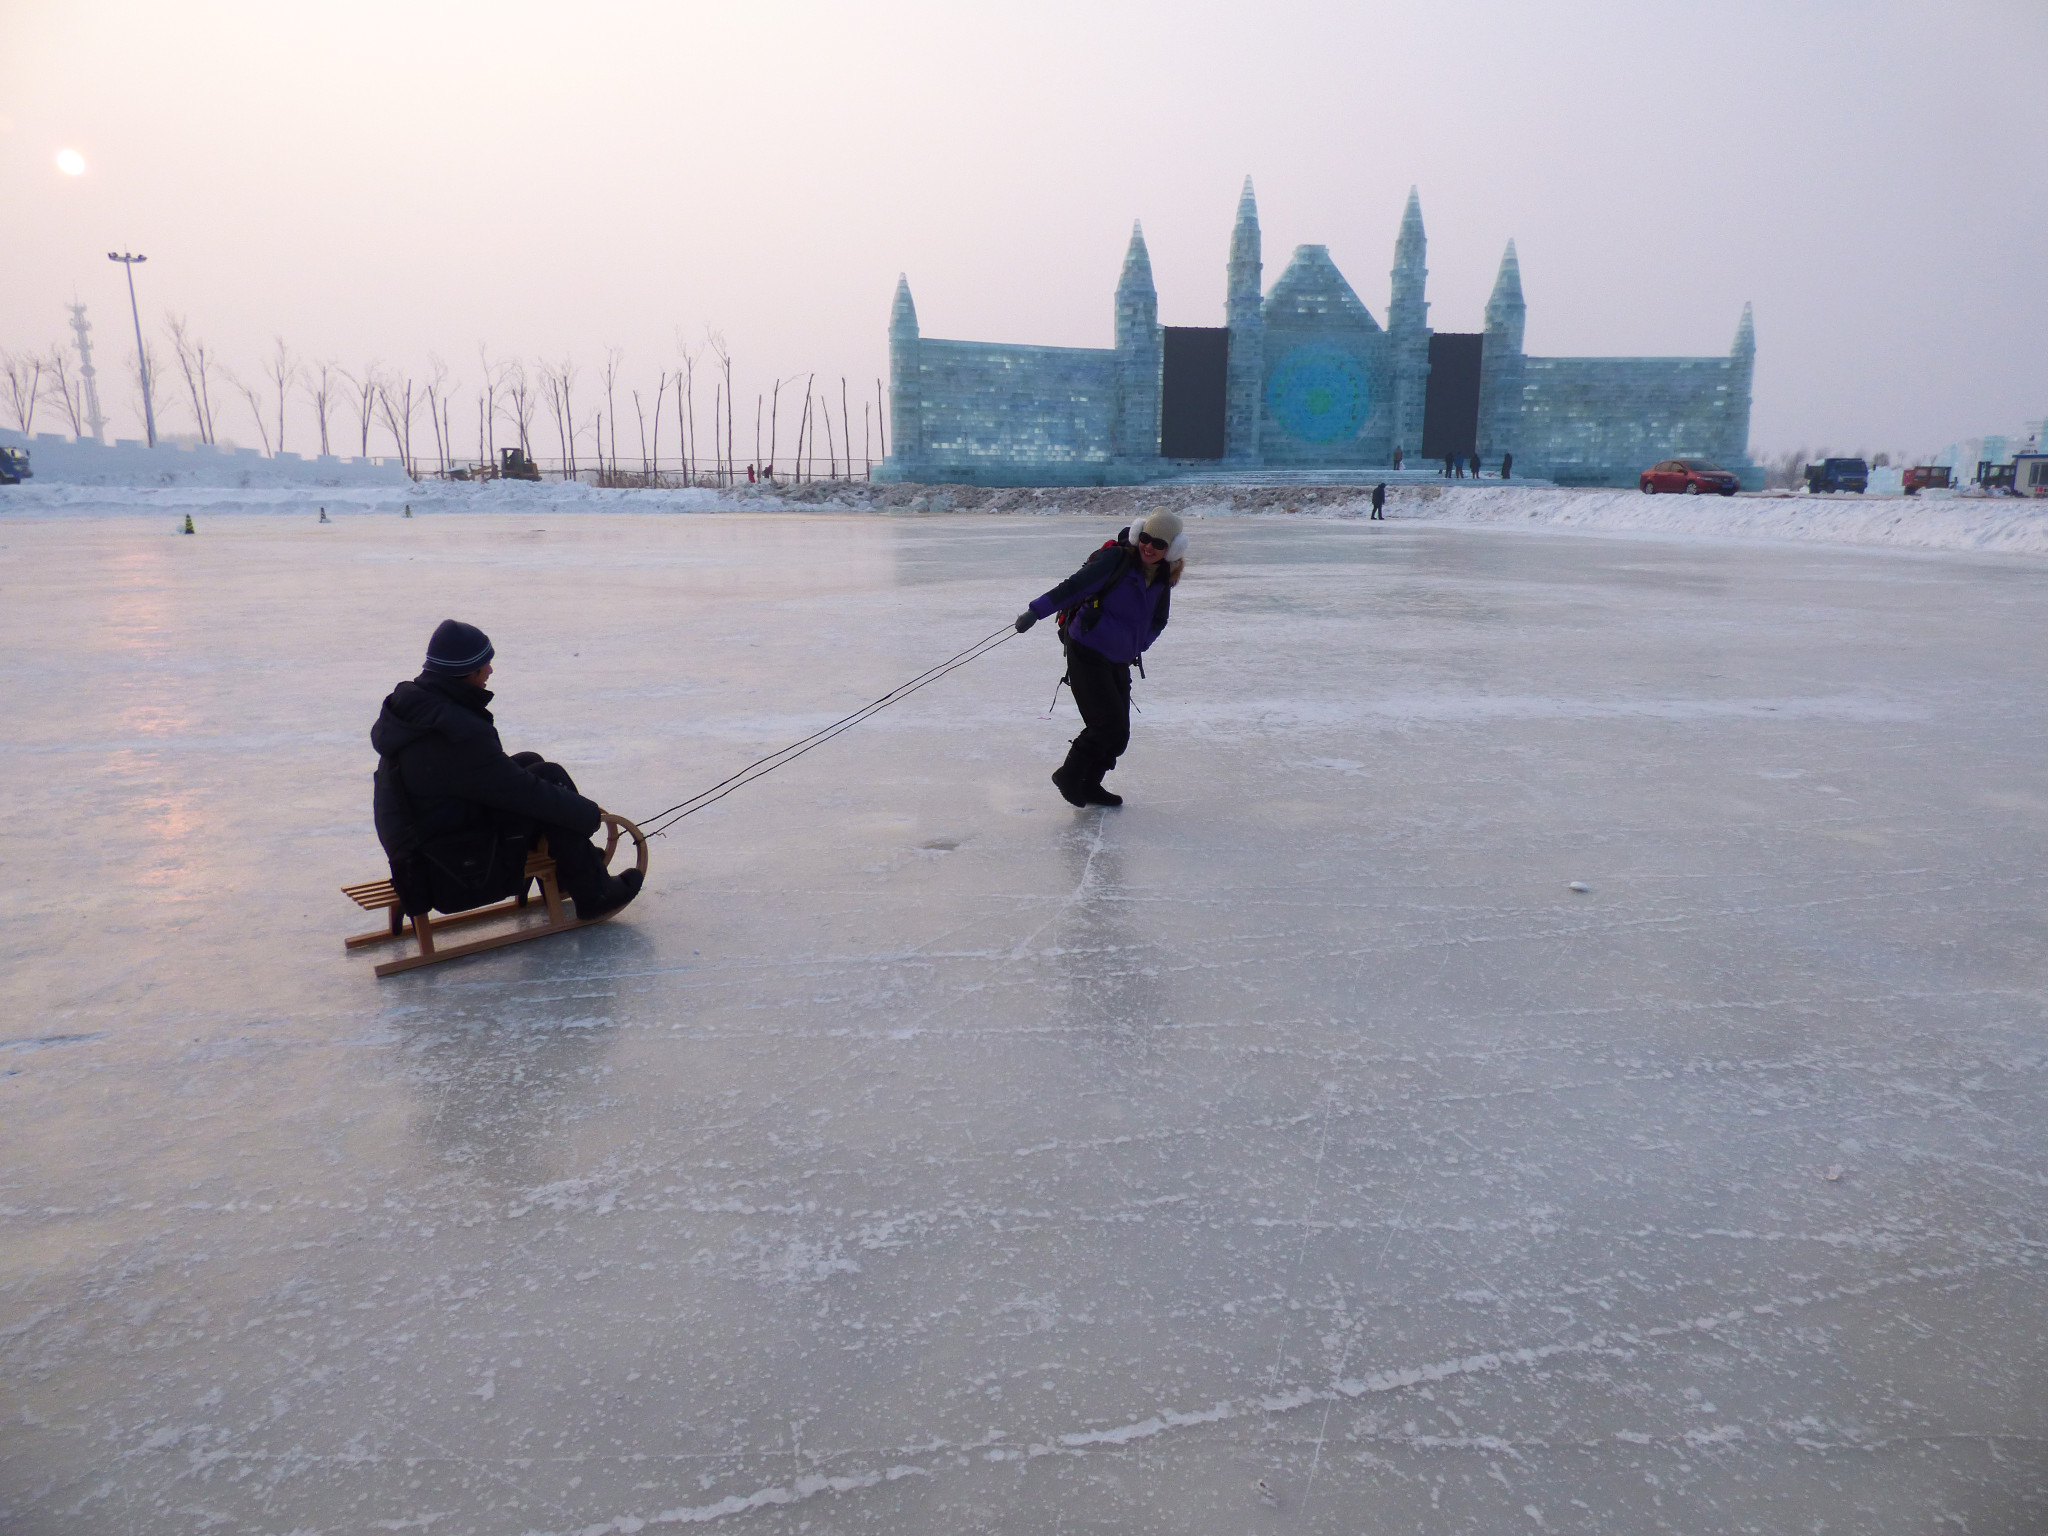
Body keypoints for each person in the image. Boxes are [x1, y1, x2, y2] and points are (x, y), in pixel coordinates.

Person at [370, 620, 642, 922]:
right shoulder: (456, 731)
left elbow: (498, 778)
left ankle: (572, 874)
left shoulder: (419, 708)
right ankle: (595, 893)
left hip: (420, 839)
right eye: (484, 665)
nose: (490, 671)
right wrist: (589, 815)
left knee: (529, 762)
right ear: (465, 672)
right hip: (445, 861)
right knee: (549, 777)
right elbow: (520, 792)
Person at [1014, 508, 1187, 808]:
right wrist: (1034, 612)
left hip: (1119, 659)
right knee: (1105, 724)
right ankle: (1068, 776)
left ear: (1171, 549)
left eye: (1159, 544)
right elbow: (1073, 587)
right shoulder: (1116, 561)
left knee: (1119, 735)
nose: (1149, 547)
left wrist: (1138, 644)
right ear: (1137, 535)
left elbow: (1159, 619)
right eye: (1145, 538)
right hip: (1087, 651)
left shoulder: (1162, 576)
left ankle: (1091, 784)